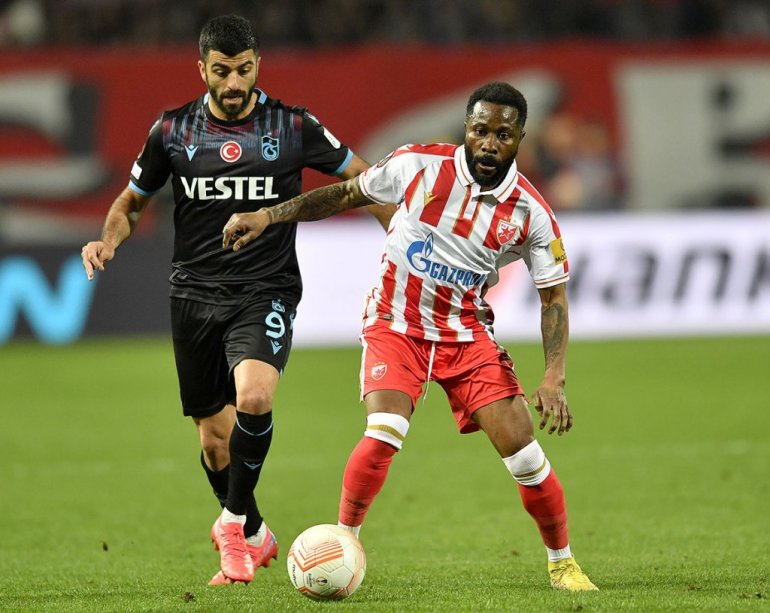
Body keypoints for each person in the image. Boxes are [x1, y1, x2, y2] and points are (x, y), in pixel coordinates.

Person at [222, 81, 599, 592]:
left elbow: (553, 298)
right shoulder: (417, 163)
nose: (489, 143)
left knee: (526, 455)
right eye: (481, 130)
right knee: (385, 429)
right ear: (466, 128)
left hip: (465, 334)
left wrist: (553, 376)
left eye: (503, 135)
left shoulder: (531, 213)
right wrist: (269, 215)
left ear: (520, 140)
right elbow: (345, 194)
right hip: (395, 324)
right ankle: (343, 543)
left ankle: (563, 564)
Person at [81, 14, 393, 586]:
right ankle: (253, 528)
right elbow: (131, 201)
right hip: (193, 294)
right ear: (201, 68)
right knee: (214, 441)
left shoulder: (293, 126)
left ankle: (229, 525)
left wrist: (399, 236)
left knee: (254, 396)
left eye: (244, 70)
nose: (233, 83)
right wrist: (108, 240)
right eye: (222, 71)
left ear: (257, 65)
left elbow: (364, 180)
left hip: (265, 290)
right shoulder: (171, 131)